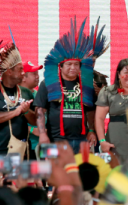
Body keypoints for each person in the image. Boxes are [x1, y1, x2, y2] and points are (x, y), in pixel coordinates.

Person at [36, 18, 100, 153]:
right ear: (61, 66)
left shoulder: (86, 84)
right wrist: (42, 134)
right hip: (55, 139)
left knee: (78, 174)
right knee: (56, 174)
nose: (73, 67)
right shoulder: (48, 84)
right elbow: (40, 110)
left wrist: (91, 130)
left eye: (76, 64)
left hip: (81, 140)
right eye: (69, 64)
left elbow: (90, 110)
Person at [0, 42, 35, 157]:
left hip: (21, 151)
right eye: (20, 69)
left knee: (19, 176)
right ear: (9, 71)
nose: (23, 73)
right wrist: (15, 112)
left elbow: (35, 121)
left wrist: (26, 111)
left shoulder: (26, 92)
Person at [21, 61, 43, 158]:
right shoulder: (15, 96)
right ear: (23, 77)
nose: (37, 76)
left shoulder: (39, 93)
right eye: (34, 74)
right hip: (27, 147)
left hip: (43, 143)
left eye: (37, 73)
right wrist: (32, 130)